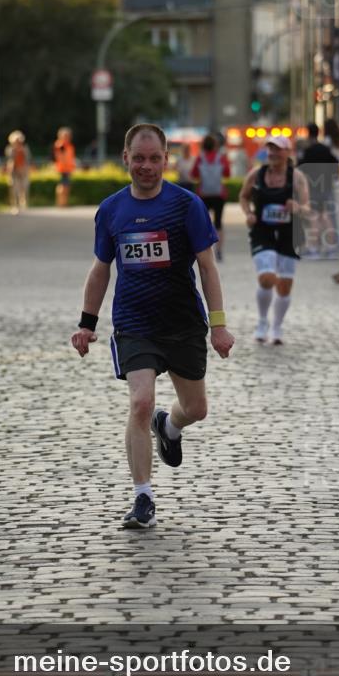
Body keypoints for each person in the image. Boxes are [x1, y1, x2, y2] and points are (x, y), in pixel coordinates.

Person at [70, 123, 234, 530]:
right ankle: (142, 497)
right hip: (134, 322)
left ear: (166, 160)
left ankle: (171, 424)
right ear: (125, 158)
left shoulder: (186, 205)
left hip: (182, 323)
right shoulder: (111, 210)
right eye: (138, 158)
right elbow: (100, 270)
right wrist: (87, 324)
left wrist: (219, 327)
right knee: (140, 402)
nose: (146, 166)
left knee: (197, 408)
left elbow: (208, 269)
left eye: (154, 159)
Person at [239, 135, 310, 345]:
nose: (273, 153)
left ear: (287, 153)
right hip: (262, 231)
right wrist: (248, 213)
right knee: (266, 278)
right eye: (270, 149)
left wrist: (297, 208)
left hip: (289, 234)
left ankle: (276, 326)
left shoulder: (296, 177)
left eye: (278, 149)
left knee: (285, 287)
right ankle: (262, 321)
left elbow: (307, 207)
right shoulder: (256, 174)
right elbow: (243, 196)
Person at [298, 123, 339, 257]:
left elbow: (300, 169)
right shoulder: (325, 149)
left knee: (313, 217)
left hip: (312, 187)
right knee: (326, 216)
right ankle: (331, 247)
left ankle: (314, 248)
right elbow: (336, 164)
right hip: (326, 186)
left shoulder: (308, 151)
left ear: (308, 134)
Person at [191, 134, 231, 261]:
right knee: (218, 222)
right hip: (219, 194)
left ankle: (204, 251)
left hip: (203, 194)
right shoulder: (221, 158)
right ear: (215, 145)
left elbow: (194, 174)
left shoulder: (200, 158)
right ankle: (219, 251)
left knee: (203, 224)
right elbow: (227, 174)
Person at [4, 130, 31, 214]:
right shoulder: (10, 149)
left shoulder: (25, 149)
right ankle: (15, 206)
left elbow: (28, 160)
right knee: (14, 189)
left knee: (24, 188)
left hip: (23, 171)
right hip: (14, 172)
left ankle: (23, 204)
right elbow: (9, 160)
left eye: (19, 140)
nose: (18, 142)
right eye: (16, 141)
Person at [53, 127, 76, 207]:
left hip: (68, 168)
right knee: (62, 186)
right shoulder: (60, 145)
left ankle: (64, 203)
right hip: (62, 169)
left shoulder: (69, 146)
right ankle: (60, 203)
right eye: (65, 136)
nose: (68, 137)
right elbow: (58, 157)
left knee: (66, 186)